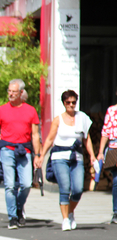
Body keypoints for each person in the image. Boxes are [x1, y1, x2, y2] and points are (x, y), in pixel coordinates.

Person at [0, 79, 42, 229]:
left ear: (21, 93)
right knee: (10, 185)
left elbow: (35, 135)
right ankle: (12, 217)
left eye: (14, 91)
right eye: (9, 91)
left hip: (24, 151)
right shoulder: (1, 110)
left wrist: (38, 155)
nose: (10, 94)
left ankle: (18, 207)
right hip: (6, 150)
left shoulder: (30, 110)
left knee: (26, 184)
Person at [39, 90, 96, 231]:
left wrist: (93, 156)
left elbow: (86, 139)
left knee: (77, 189)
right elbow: (50, 139)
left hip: (76, 157)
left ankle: (70, 212)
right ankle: (65, 219)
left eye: (73, 102)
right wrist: (41, 156)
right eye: (68, 102)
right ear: (64, 103)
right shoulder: (58, 119)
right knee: (64, 188)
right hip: (59, 157)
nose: (71, 105)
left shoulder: (82, 117)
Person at [97, 91, 117, 224]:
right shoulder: (111, 110)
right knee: (116, 181)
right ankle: (116, 211)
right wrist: (100, 152)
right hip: (114, 148)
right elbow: (105, 131)